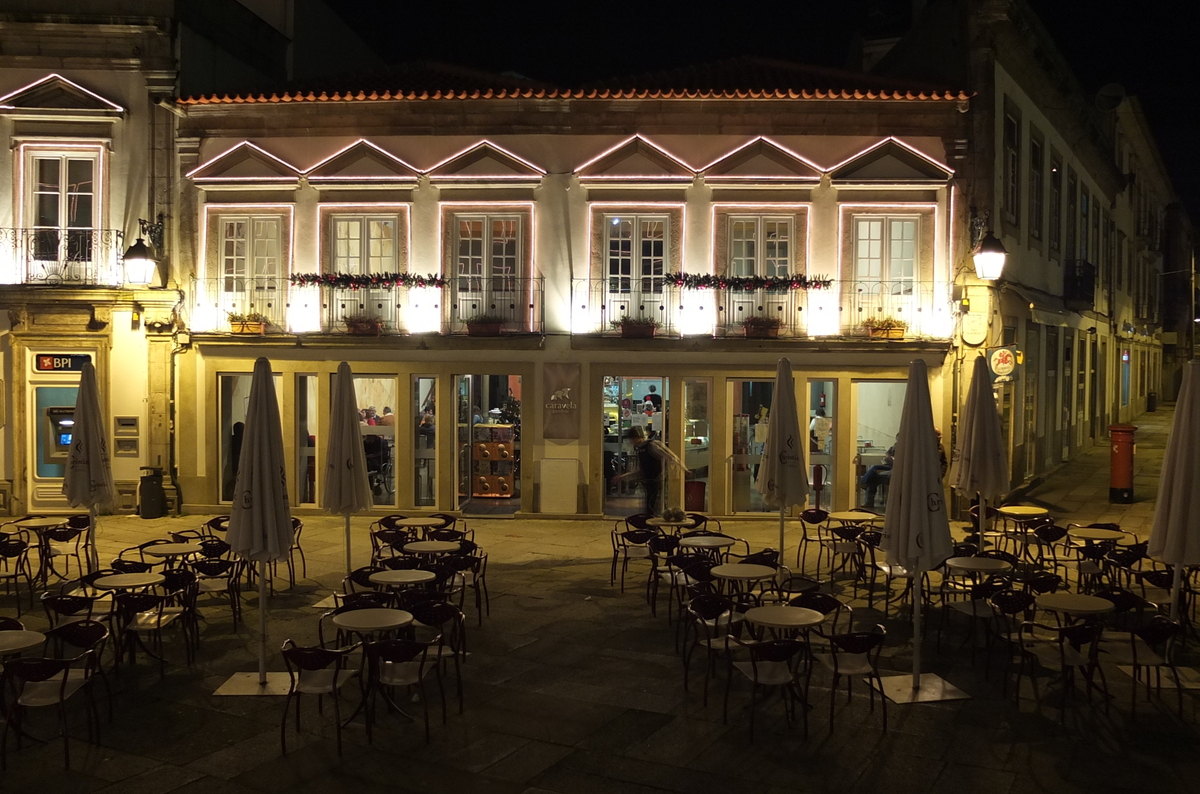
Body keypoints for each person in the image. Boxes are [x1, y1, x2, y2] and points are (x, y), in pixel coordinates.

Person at [622, 425, 688, 516]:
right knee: (650, 505)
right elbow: (642, 470)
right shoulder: (640, 449)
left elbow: (671, 458)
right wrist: (624, 476)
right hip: (649, 481)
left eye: (633, 439)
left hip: (655, 480)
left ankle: (652, 525)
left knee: (652, 505)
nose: (632, 442)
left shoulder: (652, 445)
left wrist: (682, 470)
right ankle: (650, 524)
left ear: (637, 437)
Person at [860, 437, 896, 508]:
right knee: (874, 467)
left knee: (873, 478)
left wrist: (891, 459)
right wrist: (890, 458)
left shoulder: (904, 449)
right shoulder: (894, 447)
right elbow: (887, 455)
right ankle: (863, 482)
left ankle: (863, 484)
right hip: (889, 466)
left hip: (894, 470)